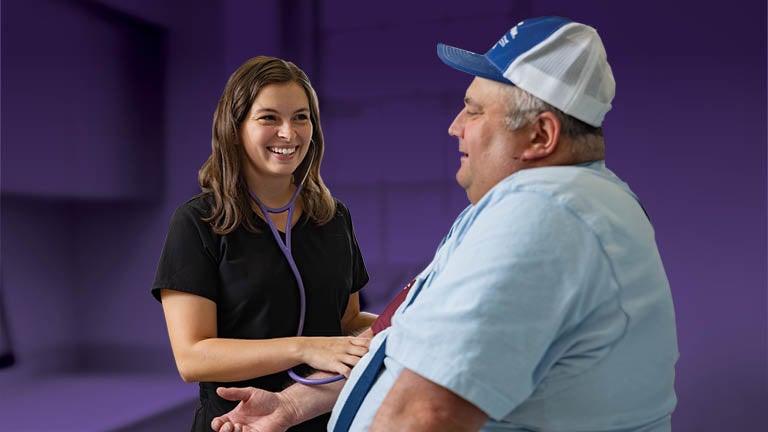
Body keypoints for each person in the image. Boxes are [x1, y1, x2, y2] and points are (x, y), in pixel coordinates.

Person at [209, 16, 679, 432]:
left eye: (474, 111)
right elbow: (405, 337)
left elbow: (425, 416)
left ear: (541, 135)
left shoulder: (543, 218)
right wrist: (291, 405)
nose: (456, 126)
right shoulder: (561, 201)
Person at [151, 56, 377, 432]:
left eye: (301, 117)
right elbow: (193, 358)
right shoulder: (198, 223)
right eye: (269, 118)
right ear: (234, 127)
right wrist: (304, 347)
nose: (288, 133)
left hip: (327, 419)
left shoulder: (333, 217)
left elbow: (347, 322)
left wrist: (403, 327)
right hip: (238, 423)